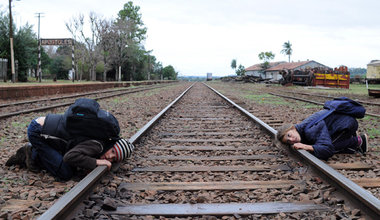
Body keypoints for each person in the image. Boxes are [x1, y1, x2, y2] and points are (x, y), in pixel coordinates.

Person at [6, 113, 134, 181]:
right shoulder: (97, 145)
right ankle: (32, 152)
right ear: (111, 144)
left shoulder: (103, 141)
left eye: (113, 158)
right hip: (37, 131)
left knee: (73, 167)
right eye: (112, 151)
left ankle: (42, 152)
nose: (109, 157)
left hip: (46, 127)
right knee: (65, 172)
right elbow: (70, 157)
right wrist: (96, 161)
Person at [277, 110, 368, 160]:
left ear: (292, 128)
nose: (292, 140)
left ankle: (358, 141)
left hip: (347, 124)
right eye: (289, 142)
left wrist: (306, 146)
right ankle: (347, 137)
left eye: (289, 135)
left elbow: (328, 150)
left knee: (330, 147)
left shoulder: (310, 131)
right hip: (341, 121)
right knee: (318, 145)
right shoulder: (301, 128)